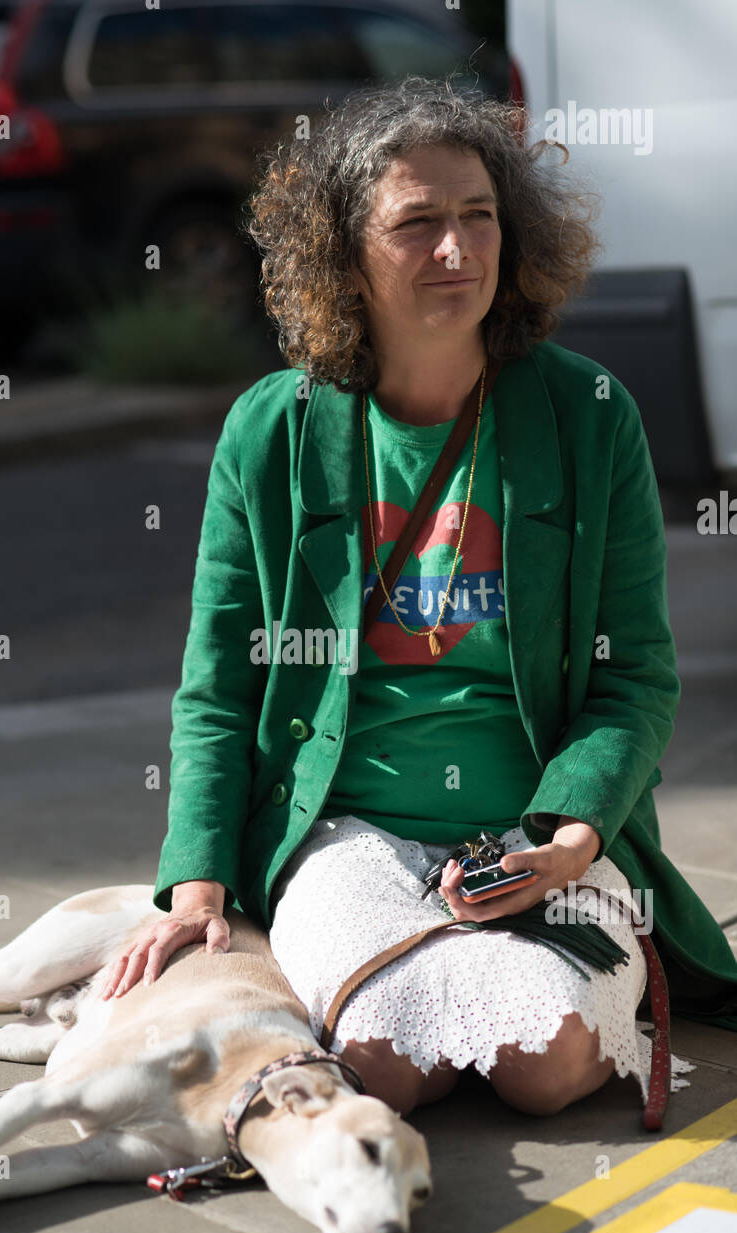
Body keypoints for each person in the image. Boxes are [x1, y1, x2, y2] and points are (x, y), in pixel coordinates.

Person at [102, 77, 737, 1116]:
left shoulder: (589, 415)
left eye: (480, 215)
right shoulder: (271, 431)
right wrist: (200, 884)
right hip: (347, 831)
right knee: (390, 1067)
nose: (459, 249)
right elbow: (218, 688)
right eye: (419, 223)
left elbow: (636, 680)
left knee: (549, 1067)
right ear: (345, 251)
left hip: (535, 831)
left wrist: (570, 837)